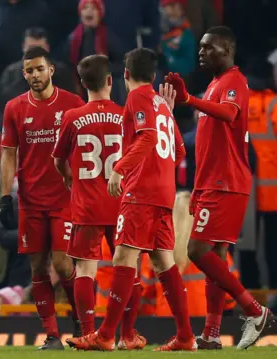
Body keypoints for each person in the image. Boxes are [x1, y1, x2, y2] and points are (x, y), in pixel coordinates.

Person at [66, 48, 192, 351]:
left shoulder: (138, 98)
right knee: (164, 261)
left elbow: (148, 137)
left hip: (142, 193)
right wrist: (161, 173)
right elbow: (179, 150)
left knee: (123, 258)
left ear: (124, 74)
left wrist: (121, 170)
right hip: (165, 192)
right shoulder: (161, 103)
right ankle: (186, 336)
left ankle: (106, 334)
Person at [165, 26, 275, 350]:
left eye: (207, 47)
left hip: (227, 183)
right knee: (216, 255)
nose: (201, 52)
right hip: (212, 183)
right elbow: (208, 143)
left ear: (227, 50)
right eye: (199, 47)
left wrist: (189, 100)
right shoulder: (215, 83)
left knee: (195, 251)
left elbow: (229, 114)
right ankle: (212, 334)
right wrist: (196, 188)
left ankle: (255, 311)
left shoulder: (234, 83)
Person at [51, 54, 145, 349]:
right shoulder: (126, 113)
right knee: (130, 268)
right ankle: (128, 334)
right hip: (122, 203)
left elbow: (57, 159)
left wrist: (69, 176)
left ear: (82, 84)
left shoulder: (72, 116)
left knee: (86, 270)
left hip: (87, 204)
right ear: (109, 81)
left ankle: (89, 332)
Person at [0, 46, 84, 350]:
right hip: (30, 200)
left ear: (51, 70)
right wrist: (5, 196)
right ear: (24, 74)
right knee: (36, 268)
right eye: (29, 70)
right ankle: (51, 335)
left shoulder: (73, 105)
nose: (34, 75)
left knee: (62, 265)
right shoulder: (14, 108)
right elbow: (8, 155)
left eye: (39, 69)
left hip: (64, 199)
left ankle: (81, 322)